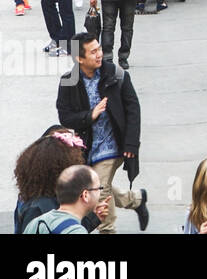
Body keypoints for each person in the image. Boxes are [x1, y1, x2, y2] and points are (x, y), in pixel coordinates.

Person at [55, 33, 149, 234]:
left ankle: (107, 230)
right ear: (80, 59)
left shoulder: (116, 74)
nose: (99, 54)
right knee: (96, 185)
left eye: (99, 49)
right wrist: (90, 115)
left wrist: (132, 144)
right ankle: (136, 199)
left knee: (99, 189)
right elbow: (65, 116)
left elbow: (133, 109)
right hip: (87, 147)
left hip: (113, 145)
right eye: (93, 52)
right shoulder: (68, 81)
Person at [21, 165, 101, 235]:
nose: (100, 192)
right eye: (98, 188)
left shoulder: (34, 223)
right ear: (85, 195)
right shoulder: (76, 231)